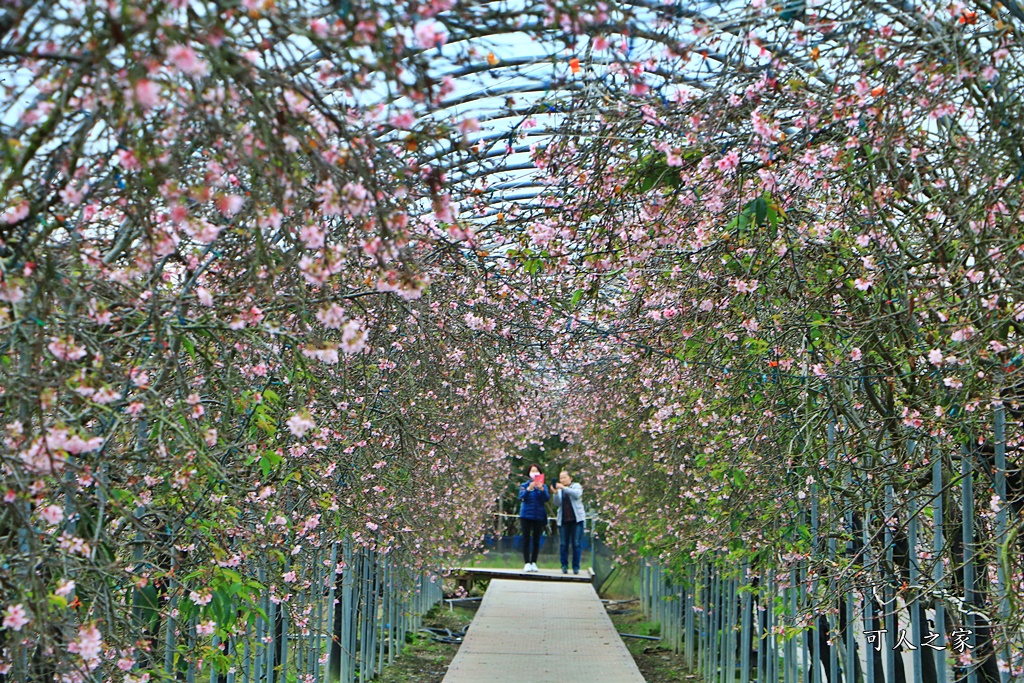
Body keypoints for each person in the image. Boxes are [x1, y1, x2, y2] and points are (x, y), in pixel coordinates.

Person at [550, 470, 585, 574]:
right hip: (564, 520)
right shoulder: (559, 490)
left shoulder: (576, 486)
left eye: (564, 477)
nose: (562, 480)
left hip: (576, 520)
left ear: (570, 478)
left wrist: (564, 488)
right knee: (563, 544)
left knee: (576, 543)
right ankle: (564, 565)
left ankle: (576, 567)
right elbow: (557, 503)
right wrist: (556, 493)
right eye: (561, 478)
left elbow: (577, 495)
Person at [518, 464, 549, 572]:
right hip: (526, 515)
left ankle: (534, 562)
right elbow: (521, 497)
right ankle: (526, 562)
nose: (534, 473)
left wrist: (540, 489)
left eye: (536, 471)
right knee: (526, 539)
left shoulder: (543, 486)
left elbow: (546, 498)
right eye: (532, 471)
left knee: (536, 540)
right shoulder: (524, 485)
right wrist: (528, 489)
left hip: (538, 516)